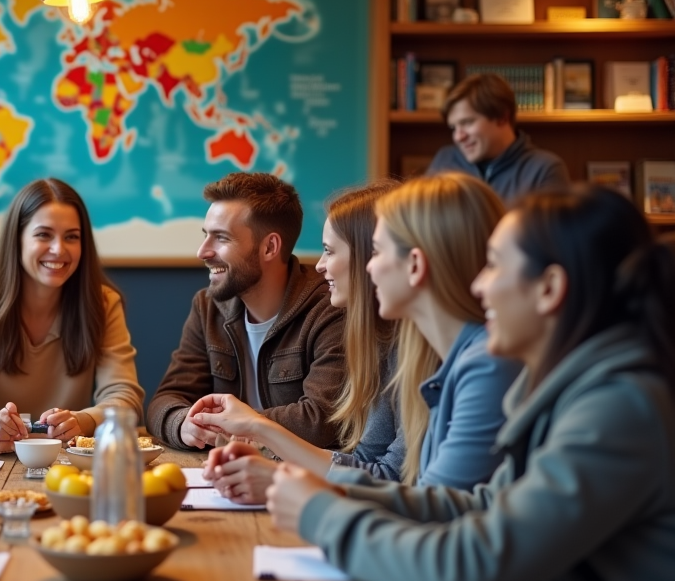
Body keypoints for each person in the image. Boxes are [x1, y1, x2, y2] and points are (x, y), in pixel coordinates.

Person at [268, 185, 675, 581]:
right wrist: (334, 489)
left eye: (495, 266)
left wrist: (323, 516)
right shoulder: (567, 390)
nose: (479, 286)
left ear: (550, 288)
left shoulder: (618, 409)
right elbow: (481, 506)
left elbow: (473, 565)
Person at [197, 173, 520, 494]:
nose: (321, 266)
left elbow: (433, 505)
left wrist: (284, 476)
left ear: (415, 264)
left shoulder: (481, 365)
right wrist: (263, 440)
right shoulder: (406, 349)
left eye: (376, 252)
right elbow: (378, 466)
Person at [193, 181, 401, 503]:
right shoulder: (383, 344)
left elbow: (391, 479)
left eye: (329, 251)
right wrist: (252, 427)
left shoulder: (413, 352)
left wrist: (259, 433)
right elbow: (367, 462)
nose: (319, 265)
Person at [0, 178, 144, 453]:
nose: (59, 249)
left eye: (71, 236)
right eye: (44, 234)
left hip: (70, 460)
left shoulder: (104, 304)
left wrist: (83, 421)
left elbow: (125, 398)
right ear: (17, 239)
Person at [146, 172, 345, 451]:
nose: (202, 252)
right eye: (206, 236)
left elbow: (322, 421)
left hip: (297, 481)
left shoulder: (329, 308)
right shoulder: (208, 307)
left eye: (221, 238)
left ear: (269, 247)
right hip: (228, 475)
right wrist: (183, 424)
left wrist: (234, 424)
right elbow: (165, 400)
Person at [427, 73, 569, 202]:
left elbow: (551, 230)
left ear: (502, 117)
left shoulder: (544, 169)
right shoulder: (445, 159)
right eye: (453, 127)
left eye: (467, 123)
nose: (458, 137)